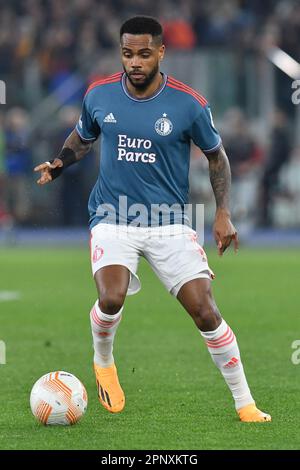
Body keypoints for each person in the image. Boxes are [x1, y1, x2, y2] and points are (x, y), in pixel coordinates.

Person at [34, 16, 271, 422]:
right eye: (128, 54)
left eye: (144, 54)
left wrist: (223, 213)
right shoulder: (100, 94)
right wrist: (59, 163)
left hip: (170, 222)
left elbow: (217, 157)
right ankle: (103, 360)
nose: (135, 62)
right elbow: (83, 137)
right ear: (121, 54)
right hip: (112, 216)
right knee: (111, 297)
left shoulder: (188, 103)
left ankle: (244, 402)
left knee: (205, 311)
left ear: (161, 52)